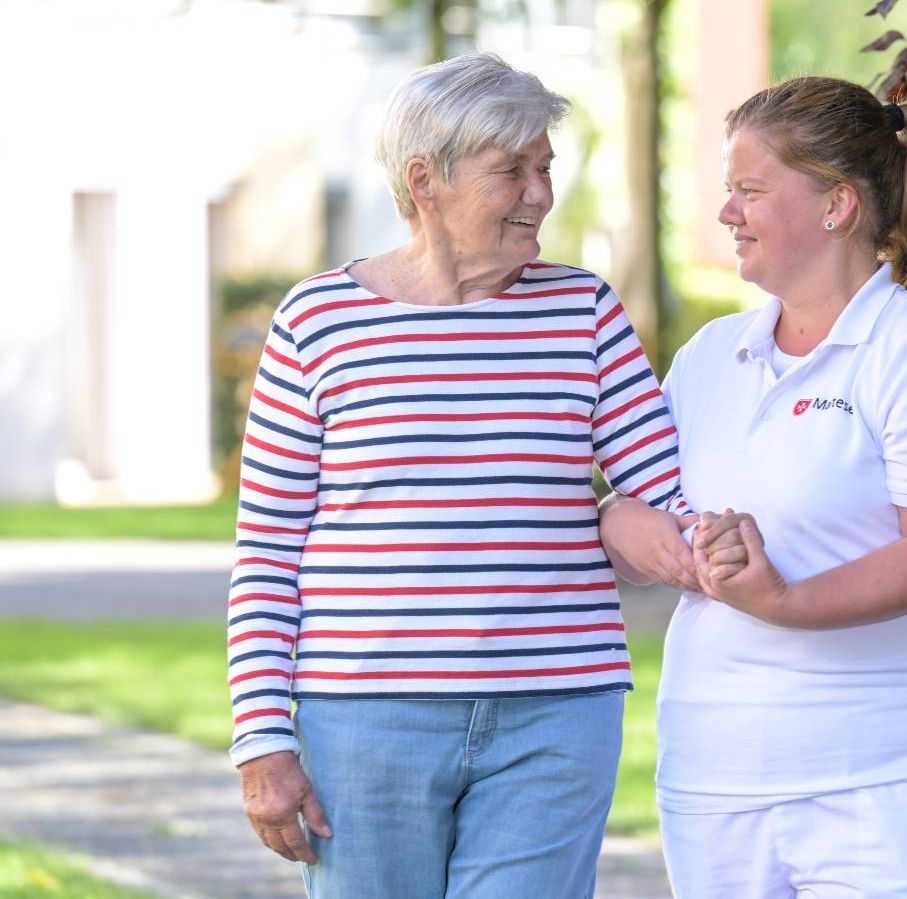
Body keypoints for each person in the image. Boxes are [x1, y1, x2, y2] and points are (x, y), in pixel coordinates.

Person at [227, 53, 696, 899]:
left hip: (556, 711)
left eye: (546, 167)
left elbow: (663, 488)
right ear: (425, 180)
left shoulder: (582, 312)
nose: (540, 193)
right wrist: (262, 737)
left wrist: (698, 538)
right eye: (511, 170)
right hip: (366, 719)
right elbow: (267, 549)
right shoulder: (317, 322)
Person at [599, 76, 907, 898]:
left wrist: (784, 599)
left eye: (749, 190)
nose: (727, 213)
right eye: (728, 190)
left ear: (837, 206)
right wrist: (640, 533)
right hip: (716, 777)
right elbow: (634, 512)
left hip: (890, 781)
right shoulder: (710, 356)